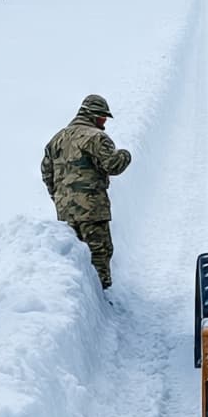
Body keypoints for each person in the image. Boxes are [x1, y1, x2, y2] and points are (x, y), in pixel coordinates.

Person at [41, 93, 132, 291]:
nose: (104, 122)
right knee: (99, 255)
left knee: (74, 259)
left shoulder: (57, 139)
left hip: (65, 212)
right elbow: (112, 165)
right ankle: (101, 300)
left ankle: (75, 297)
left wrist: (60, 197)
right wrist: (125, 155)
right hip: (93, 209)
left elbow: (46, 173)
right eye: (102, 117)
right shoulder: (96, 138)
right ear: (94, 115)